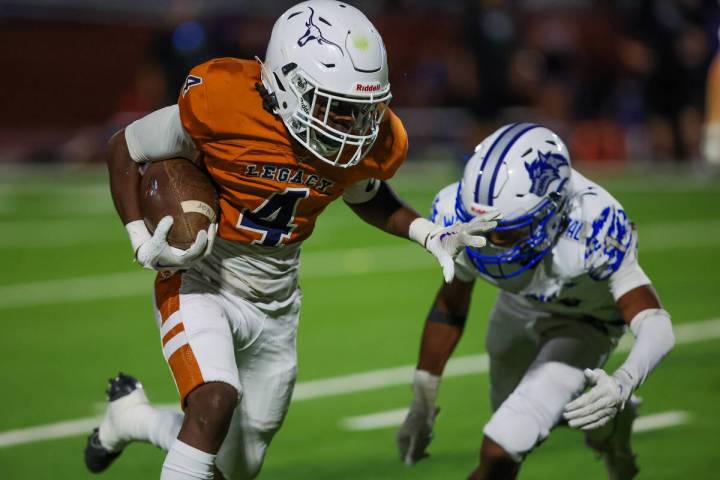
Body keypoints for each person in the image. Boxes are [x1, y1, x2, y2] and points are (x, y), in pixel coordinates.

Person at [83, 2, 498, 479]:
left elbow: (365, 193)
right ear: (286, 83)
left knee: (239, 465)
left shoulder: (359, 138)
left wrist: (427, 233)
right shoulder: (224, 100)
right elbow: (126, 146)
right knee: (214, 401)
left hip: (277, 299)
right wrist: (139, 237)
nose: (351, 125)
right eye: (336, 106)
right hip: (203, 275)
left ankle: (132, 418)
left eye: (362, 110)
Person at [396, 123, 675, 480]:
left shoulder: (593, 222)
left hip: (584, 322)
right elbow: (452, 302)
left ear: (553, 210)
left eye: (509, 229)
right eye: (485, 227)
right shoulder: (457, 212)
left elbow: (656, 322)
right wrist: (422, 400)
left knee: (502, 446)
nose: (493, 241)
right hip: (517, 306)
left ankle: (609, 425)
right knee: (512, 410)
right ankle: (612, 425)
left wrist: (624, 379)